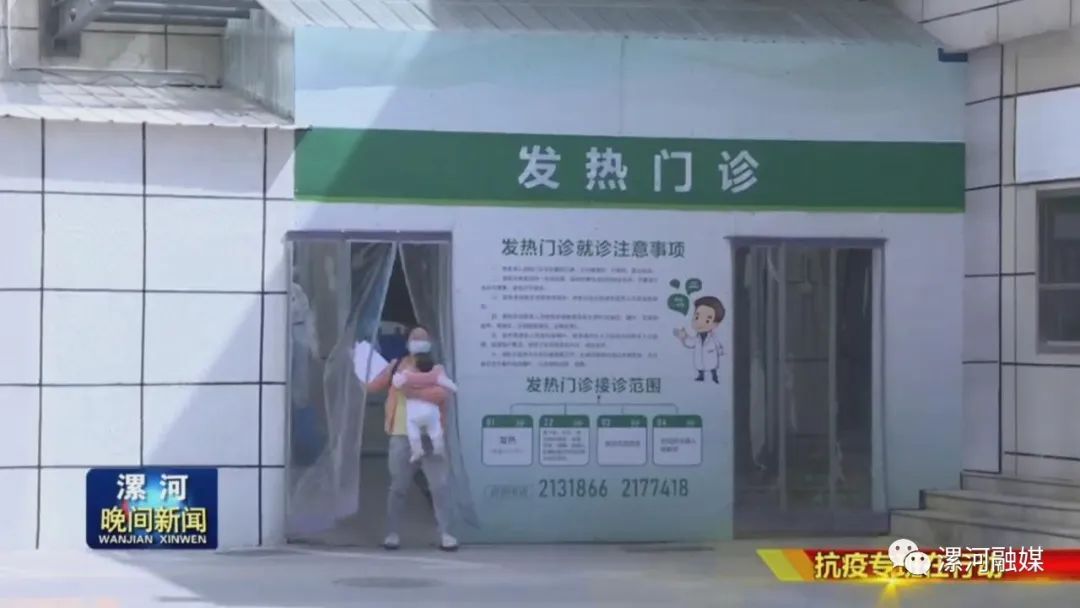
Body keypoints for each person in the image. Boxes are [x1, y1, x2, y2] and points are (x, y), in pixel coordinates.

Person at [366, 326, 459, 551]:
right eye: (415, 337)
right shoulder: (397, 365)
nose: (419, 341)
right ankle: (392, 532)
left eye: (423, 338)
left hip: (431, 435)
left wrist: (412, 391)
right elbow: (373, 386)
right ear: (408, 342)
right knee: (398, 486)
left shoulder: (435, 367)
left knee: (439, 486)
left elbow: (441, 394)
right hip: (401, 434)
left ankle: (445, 533)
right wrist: (362, 369)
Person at [392, 353, 457, 463]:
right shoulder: (435, 375)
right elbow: (448, 386)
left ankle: (418, 450)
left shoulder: (408, 376)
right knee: (435, 429)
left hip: (414, 415)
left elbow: (397, 383)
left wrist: (413, 392)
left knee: (413, 429)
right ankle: (438, 447)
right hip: (430, 412)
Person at [674, 295, 726, 383]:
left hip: (711, 355)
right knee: (700, 366)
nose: (700, 323)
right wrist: (684, 337)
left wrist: (720, 351)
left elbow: (718, 344)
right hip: (700, 357)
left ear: (716, 324)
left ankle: (714, 376)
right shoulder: (697, 337)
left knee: (712, 366)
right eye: (697, 317)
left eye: (707, 321)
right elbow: (691, 343)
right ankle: (701, 376)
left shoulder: (713, 337)